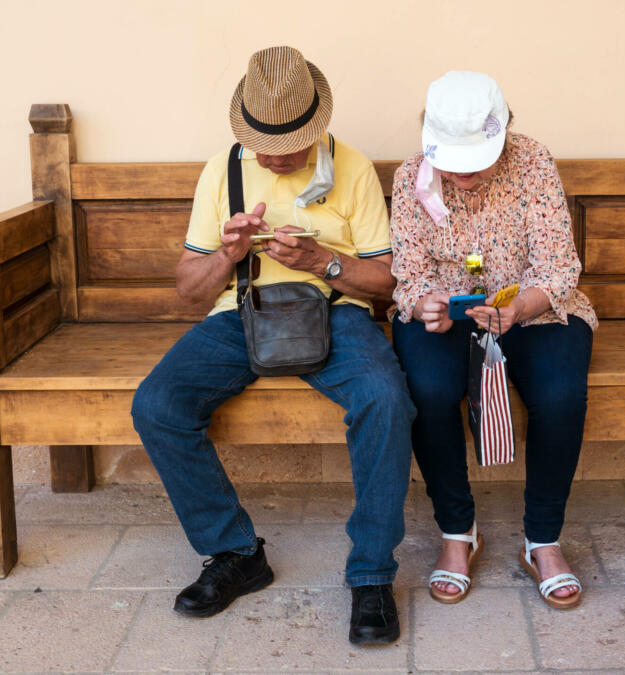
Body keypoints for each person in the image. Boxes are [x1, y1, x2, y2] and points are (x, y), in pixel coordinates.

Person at [131, 46, 415, 645]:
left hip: (336, 317)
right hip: (242, 314)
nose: (269, 157)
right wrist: (229, 254)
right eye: (259, 142)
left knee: (386, 401)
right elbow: (188, 289)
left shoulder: (354, 169)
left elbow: (387, 281)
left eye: (283, 146)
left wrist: (322, 262)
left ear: (316, 128)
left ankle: (371, 574)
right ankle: (235, 553)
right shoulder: (223, 170)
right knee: (157, 404)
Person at [389, 71, 598, 609]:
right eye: (454, 162)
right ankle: (459, 533)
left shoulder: (533, 162)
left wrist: (520, 307)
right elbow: (408, 274)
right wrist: (425, 304)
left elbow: (558, 265)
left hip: (532, 309)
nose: (466, 173)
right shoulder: (411, 176)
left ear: (504, 134)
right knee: (428, 391)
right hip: (451, 318)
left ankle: (542, 541)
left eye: (478, 159)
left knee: (559, 394)